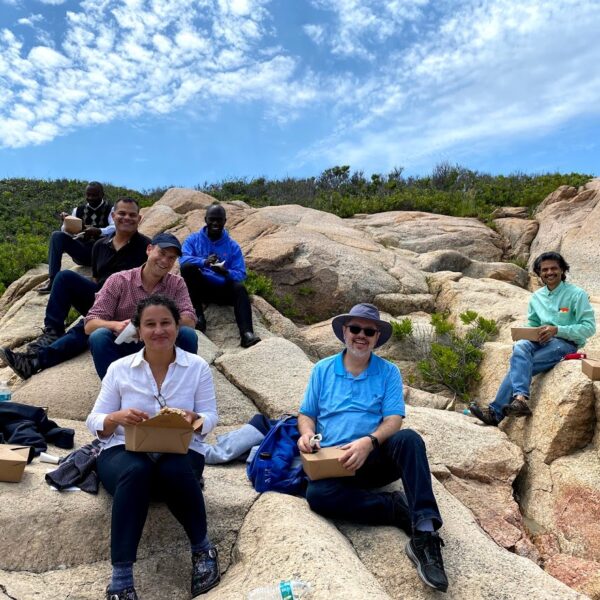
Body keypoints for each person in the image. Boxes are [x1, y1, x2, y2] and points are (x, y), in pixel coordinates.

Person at [297, 303, 449, 593]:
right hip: (335, 461)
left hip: (374, 457)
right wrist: (306, 435)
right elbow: (307, 414)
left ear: (377, 337)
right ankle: (394, 509)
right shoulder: (322, 370)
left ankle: (425, 535)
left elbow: (394, 419)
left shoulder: (388, 372)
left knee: (410, 440)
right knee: (317, 496)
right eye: (355, 329)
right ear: (344, 331)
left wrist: (369, 442)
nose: (361, 335)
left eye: (369, 331)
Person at [86, 295, 220, 600]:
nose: (159, 330)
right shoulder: (120, 368)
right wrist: (116, 417)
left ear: (176, 326)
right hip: (124, 450)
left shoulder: (196, 367)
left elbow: (212, 416)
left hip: (180, 450)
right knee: (137, 469)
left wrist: (195, 418)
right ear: (138, 329)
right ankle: (121, 578)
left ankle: (203, 550)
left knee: (173, 468)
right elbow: (93, 420)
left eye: (165, 323)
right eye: (150, 324)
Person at [0, 198, 149, 380]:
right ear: (113, 216)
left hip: (127, 306)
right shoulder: (100, 246)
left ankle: (35, 361)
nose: (127, 218)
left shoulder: (146, 248)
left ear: (139, 218)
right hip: (102, 300)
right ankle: (52, 332)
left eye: (132, 215)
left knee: (83, 329)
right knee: (64, 277)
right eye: (122, 213)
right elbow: (97, 280)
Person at [470, 252, 596, 426]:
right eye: (545, 269)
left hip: (565, 343)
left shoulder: (576, 294)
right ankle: (519, 400)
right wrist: (531, 333)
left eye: (554, 268)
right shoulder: (537, 297)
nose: (549, 272)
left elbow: (588, 328)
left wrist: (557, 329)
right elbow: (533, 324)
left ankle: (496, 412)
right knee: (521, 346)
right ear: (539, 272)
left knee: (520, 366)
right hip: (541, 341)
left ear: (562, 270)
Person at [84, 232, 198, 379]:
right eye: (162, 253)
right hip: (126, 345)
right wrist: (116, 325)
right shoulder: (119, 280)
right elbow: (90, 324)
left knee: (188, 334)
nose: (165, 260)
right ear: (149, 249)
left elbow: (189, 319)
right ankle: (117, 390)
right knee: (98, 336)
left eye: (171, 258)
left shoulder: (176, 284)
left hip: (161, 344)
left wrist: (154, 326)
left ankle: (179, 386)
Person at [179, 203, 260, 348]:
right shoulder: (193, 239)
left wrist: (226, 272)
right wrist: (204, 262)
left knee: (240, 288)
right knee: (187, 268)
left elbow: (241, 274)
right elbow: (183, 258)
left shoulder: (232, 246)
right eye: (212, 219)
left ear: (225, 221)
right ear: (205, 219)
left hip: (222, 288)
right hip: (199, 288)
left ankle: (247, 334)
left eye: (219, 220)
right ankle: (198, 316)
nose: (215, 223)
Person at [38, 181, 115, 294]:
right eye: (88, 195)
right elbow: (65, 232)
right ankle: (53, 280)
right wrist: (67, 222)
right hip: (83, 251)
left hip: (101, 254)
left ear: (102, 195)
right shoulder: (78, 210)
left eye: (94, 195)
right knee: (56, 235)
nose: (91, 198)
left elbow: (115, 227)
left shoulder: (111, 209)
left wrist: (99, 231)